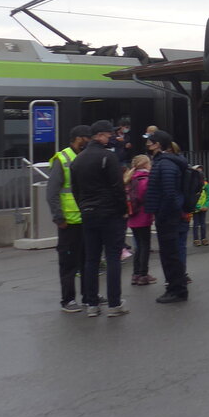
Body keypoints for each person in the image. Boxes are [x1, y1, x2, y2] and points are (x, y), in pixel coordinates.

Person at [70, 119, 129, 317]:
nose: (110, 137)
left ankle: (92, 304)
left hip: (87, 213)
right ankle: (114, 304)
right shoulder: (107, 157)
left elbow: (75, 190)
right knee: (112, 257)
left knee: (91, 259)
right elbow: (117, 187)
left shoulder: (77, 160)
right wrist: (123, 209)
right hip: (110, 213)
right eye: (108, 134)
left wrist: (83, 207)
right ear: (100, 135)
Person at [47, 124, 91, 313]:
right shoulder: (63, 158)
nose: (90, 141)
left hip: (86, 219)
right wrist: (59, 217)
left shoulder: (85, 157)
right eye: (87, 138)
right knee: (69, 264)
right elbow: (52, 192)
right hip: (69, 222)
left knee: (88, 261)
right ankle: (68, 300)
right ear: (79, 138)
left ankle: (90, 296)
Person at [145, 129, 190, 304]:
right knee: (171, 254)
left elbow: (169, 193)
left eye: (150, 141)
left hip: (168, 217)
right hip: (169, 215)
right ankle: (175, 287)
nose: (148, 144)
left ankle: (176, 289)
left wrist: (162, 214)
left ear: (158, 144)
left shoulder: (165, 164)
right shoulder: (165, 162)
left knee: (170, 254)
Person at [125, 154, 156, 285]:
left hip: (132, 217)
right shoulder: (145, 180)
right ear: (145, 165)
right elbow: (148, 198)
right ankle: (143, 274)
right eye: (149, 163)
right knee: (145, 246)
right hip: (143, 216)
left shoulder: (130, 179)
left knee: (138, 245)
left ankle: (136, 273)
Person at [191, 165, 209, 246]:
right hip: (196, 208)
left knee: (203, 224)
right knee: (195, 224)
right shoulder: (192, 184)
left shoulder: (205, 184)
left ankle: (204, 238)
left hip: (203, 207)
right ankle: (196, 239)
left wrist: (206, 205)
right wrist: (198, 207)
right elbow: (191, 197)